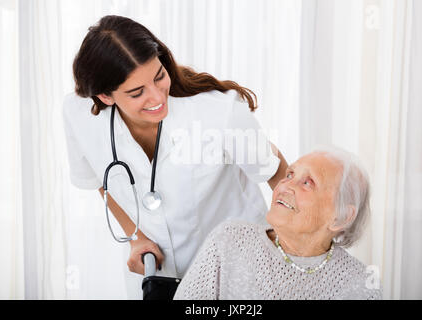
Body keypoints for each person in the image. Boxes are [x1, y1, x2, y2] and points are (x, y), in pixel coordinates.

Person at [62, 15, 288, 298]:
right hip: (155, 278)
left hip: (238, 276)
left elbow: (277, 172)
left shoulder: (217, 111)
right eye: (137, 92)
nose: (157, 97)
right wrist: (137, 238)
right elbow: (99, 178)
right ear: (107, 97)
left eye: (159, 77)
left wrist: (288, 245)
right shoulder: (79, 115)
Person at [173, 147, 382, 300]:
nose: (284, 185)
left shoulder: (360, 285)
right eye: (290, 174)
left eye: (308, 182)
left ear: (341, 216)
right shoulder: (230, 240)